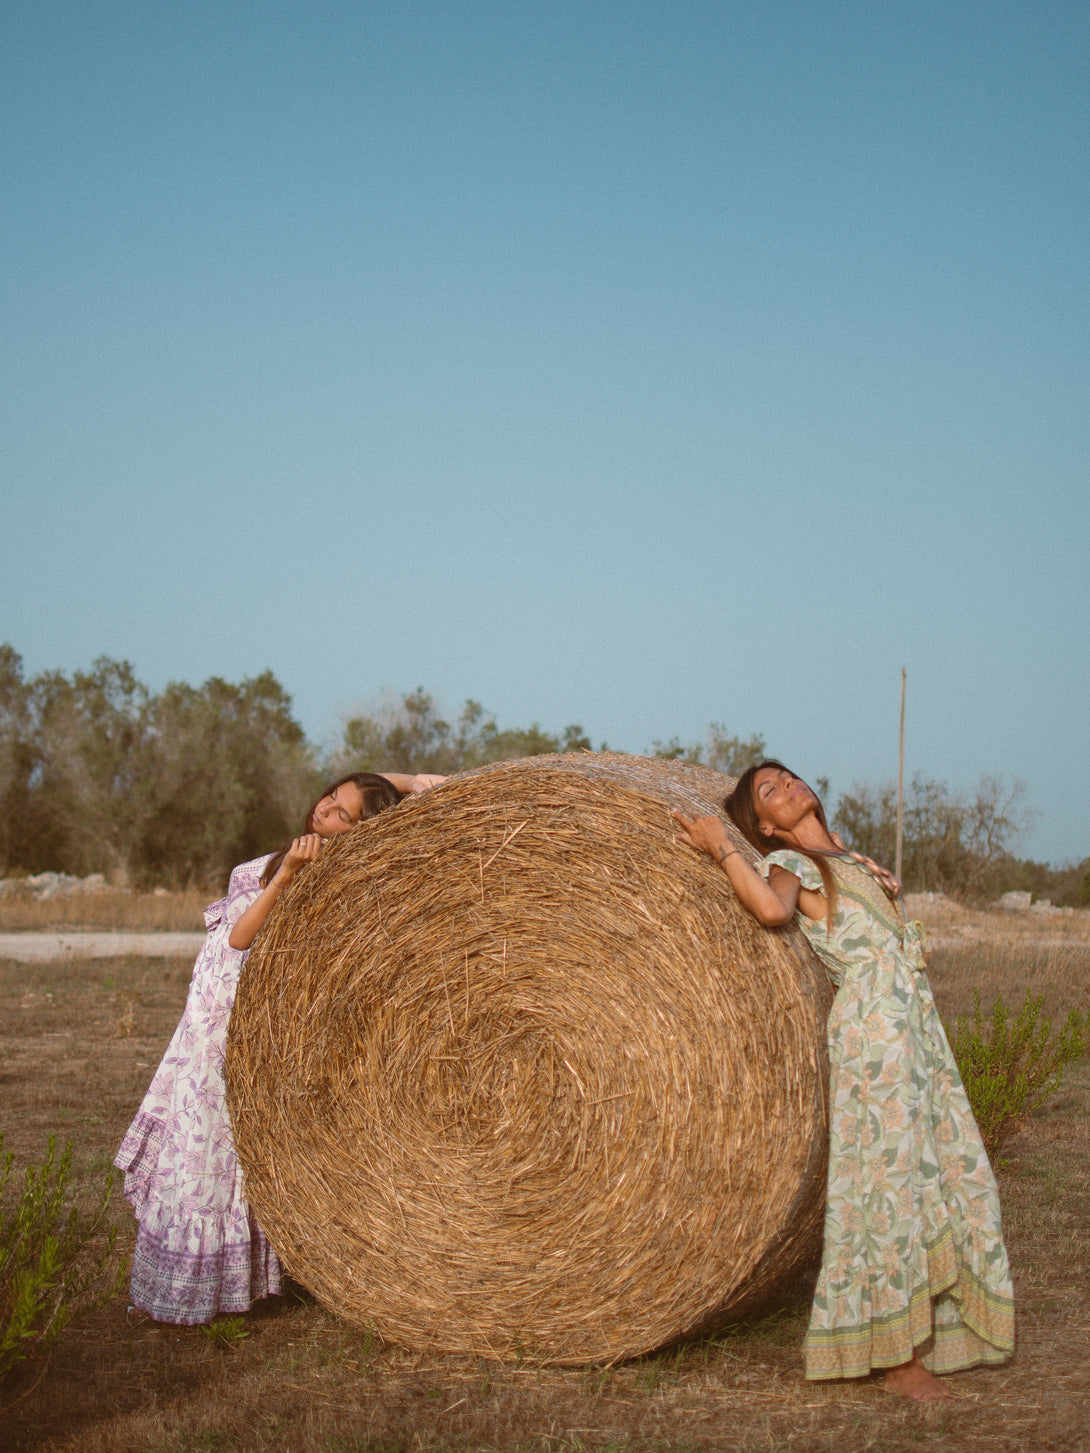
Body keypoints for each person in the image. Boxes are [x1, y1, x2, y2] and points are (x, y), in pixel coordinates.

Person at [672, 761, 1014, 1402]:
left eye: (787, 777)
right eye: (768, 793)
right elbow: (772, 912)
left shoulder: (846, 859)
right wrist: (723, 847)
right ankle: (895, 1359)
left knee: (941, 1169)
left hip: (913, 1026)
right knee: (884, 1188)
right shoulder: (792, 867)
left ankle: (930, 1328)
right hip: (873, 1037)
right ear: (766, 828)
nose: (787, 787)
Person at [115, 770, 444, 1325]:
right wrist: (409, 780)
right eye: (331, 798)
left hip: (231, 1030)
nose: (327, 811)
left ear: (360, 834)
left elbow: (241, 939)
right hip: (201, 1019)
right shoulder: (298, 847)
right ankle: (184, 1287)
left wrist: (287, 875)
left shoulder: (316, 875)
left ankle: (199, 1295)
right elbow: (364, 782)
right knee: (189, 1145)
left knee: (210, 1157)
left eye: (344, 815)